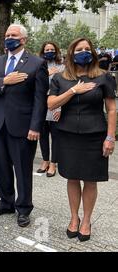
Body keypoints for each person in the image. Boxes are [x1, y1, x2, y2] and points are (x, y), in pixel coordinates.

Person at [0, 24, 48, 228]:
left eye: (14, 35)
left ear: (23, 39)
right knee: (1, 167)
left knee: (22, 169)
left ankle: (24, 208)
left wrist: (35, 126)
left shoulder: (37, 63)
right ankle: (6, 202)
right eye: (7, 35)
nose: (9, 37)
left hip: (23, 126)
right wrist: (4, 81)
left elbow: (40, 100)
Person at [48, 38, 116, 242]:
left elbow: (112, 109)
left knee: (90, 180)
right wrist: (72, 91)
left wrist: (110, 137)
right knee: (72, 177)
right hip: (67, 135)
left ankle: (86, 221)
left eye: (87, 49)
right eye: (79, 49)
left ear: (93, 53)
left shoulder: (103, 77)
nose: (84, 52)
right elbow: (51, 104)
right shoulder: (60, 78)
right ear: (71, 53)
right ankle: (73, 218)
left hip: (95, 135)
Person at [36, 42, 65, 177]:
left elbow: (65, 87)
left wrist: (60, 106)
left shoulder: (62, 66)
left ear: (56, 51)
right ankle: (45, 160)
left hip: (56, 103)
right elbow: (34, 83)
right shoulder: (38, 65)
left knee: (56, 136)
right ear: (43, 51)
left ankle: (54, 163)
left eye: (52, 49)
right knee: (42, 135)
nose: (49, 51)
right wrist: (47, 73)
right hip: (41, 104)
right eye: (47, 49)